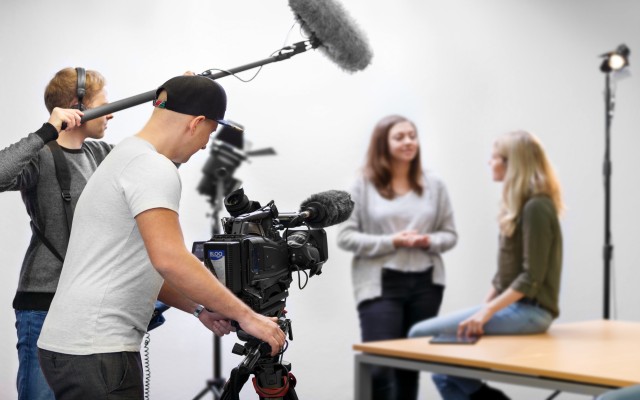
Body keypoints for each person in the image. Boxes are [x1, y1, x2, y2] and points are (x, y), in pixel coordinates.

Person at [37, 75, 287, 399]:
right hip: (99, 352)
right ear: (196, 123)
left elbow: (143, 263)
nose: (204, 146)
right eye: (209, 134)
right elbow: (170, 259)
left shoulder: (125, 155)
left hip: (69, 348)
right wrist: (248, 318)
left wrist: (200, 308)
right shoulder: (152, 167)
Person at [408, 130, 564, 400]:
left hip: (532, 312)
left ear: (511, 163)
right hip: (516, 307)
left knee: (418, 334)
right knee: (443, 375)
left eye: (494, 158)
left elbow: (531, 278)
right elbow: (503, 276)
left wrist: (486, 312)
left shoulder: (537, 207)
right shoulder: (519, 206)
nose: (489, 163)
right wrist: (482, 309)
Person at [0, 67, 114, 400]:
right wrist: (48, 129)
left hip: (89, 305)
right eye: (104, 104)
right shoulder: (40, 158)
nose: (112, 113)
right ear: (77, 106)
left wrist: (177, 101)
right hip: (43, 305)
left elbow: (158, 155)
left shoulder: (99, 155)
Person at [337, 115, 458, 400]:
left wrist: (427, 240)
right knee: (379, 368)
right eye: (400, 137)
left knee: (409, 368)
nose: (408, 142)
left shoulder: (435, 184)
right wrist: (393, 241)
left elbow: (449, 235)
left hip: (426, 284)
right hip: (381, 285)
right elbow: (346, 236)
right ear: (383, 143)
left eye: (412, 135)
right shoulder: (361, 184)